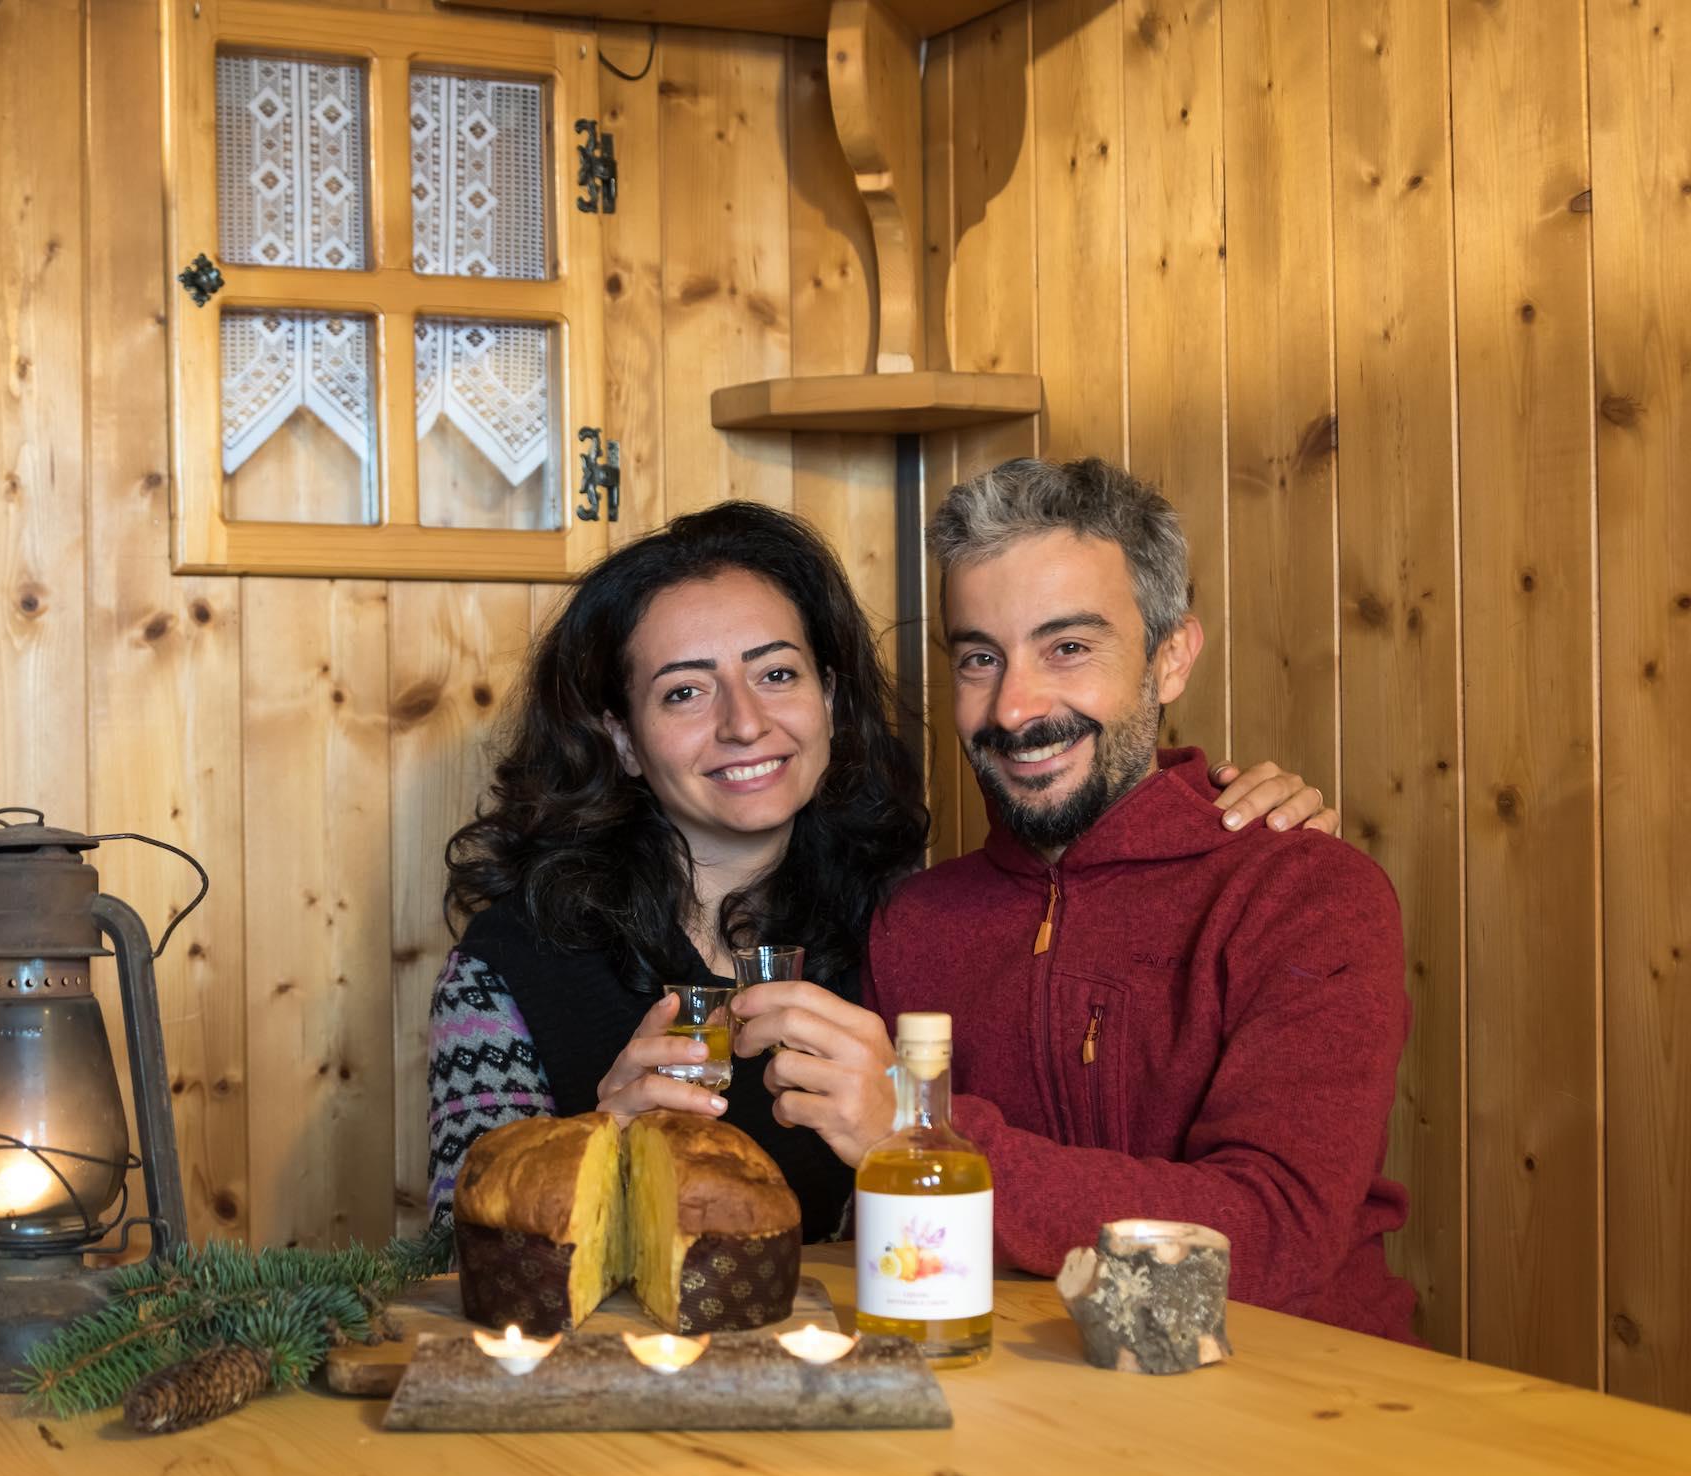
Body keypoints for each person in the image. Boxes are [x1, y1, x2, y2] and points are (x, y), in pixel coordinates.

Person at [425, 499, 1339, 1242]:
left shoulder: (895, 930)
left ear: (829, 696)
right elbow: (446, 1259)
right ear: (621, 737)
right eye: (684, 692)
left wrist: (1215, 821)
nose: (744, 724)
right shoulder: (509, 966)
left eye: (776, 674)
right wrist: (592, 1144)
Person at [730, 458, 1416, 1341]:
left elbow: (1275, 1234)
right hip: (1020, 1411)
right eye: (981, 657)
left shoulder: (1305, 891)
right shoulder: (918, 924)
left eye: (1069, 648)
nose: (1016, 708)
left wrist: (922, 1131)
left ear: (1170, 660)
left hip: (1301, 1408)